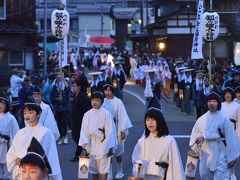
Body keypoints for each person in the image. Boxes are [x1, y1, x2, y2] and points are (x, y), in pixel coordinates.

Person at [6, 98, 62, 180]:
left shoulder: (46, 133)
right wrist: (16, 160)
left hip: (37, 172)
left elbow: (50, 156)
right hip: (22, 170)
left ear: (39, 114)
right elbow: (12, 153)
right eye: (25, 113)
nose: (27, 115)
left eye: (30, 112)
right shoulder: (20, 133)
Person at [189, 92, 240, 180]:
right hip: (206, 150)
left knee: (221, 176)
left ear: (218, 103)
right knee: (204, 175)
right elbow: (196, 132)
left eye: (214, 101)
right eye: (209, 101)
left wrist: (231, 157)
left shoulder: (224, 119)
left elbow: (230, 138)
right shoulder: (202, 119)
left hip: (220, 150)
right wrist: (199, 137)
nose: (211, 103)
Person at [132, 107, 185, 180]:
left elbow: (175, 165)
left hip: (162, 177)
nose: (150, 122)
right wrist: (139, 164)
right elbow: (135, 159)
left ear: (160, 121)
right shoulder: (142, 141)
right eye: (147, 120)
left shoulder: (169, 141)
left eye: (153, 119)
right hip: (145, 177)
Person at [79, 91, 117, 180]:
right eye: (93, 100)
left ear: (101, 101)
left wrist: (110, 147)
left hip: (104, 145)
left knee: (103, 170)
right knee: (93, 169)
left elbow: (110, 131)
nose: (94, 102)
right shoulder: (87, 114)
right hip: (91, 145)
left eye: (97, 100)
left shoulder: (107, 114)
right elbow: (84, 130)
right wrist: (85, 145)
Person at [103, 83, 132, 179]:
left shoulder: (118, 102)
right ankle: (110, 172)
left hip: (117, 128)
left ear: (112, 91)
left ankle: (120, 170)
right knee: (109, 152)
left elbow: (123, 116)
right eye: (105, 90)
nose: (107, 92)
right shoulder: (103, 101)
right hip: (107, 131)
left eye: (109, 90)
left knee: (118, 153)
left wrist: (122, 130)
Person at [70, 79, 91, 162]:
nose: (73, 88)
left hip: (80, 121)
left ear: (79, 87)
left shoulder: (82, 96)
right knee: (76, 137)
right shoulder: (76, 95)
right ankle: (85, 150)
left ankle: (78, 155)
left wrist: (85, 121)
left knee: (79, 138)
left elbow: (86, 109)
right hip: (75, 121)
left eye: (74, 86)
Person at [0, 92, 19, 180]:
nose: (0, 105)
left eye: (3, 103)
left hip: (7, 146)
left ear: (6, 104)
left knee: (8, 172)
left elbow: (16, 135)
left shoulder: (11, 118)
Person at [50, 71, 71, 144]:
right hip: (58, 107)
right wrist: (56, 99)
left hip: (65, 106)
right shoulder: (55, 84)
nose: (58, 76)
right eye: (57, 75)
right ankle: (61, 137)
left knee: (64, 122)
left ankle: (65, 136)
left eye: (60, 74)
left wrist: (63, 80)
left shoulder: (66, 82)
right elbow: (51, 96)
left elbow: (68, 90)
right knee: (59, 123)